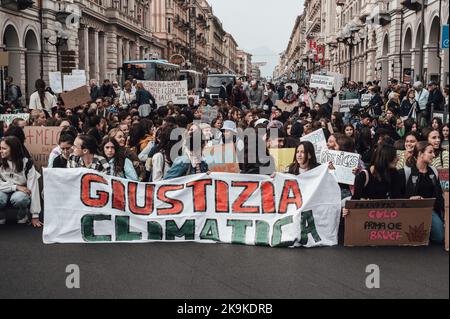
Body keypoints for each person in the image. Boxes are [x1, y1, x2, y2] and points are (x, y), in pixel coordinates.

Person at [399, 141, 445, 243]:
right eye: (430, 152)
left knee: (439, 237)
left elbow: (439, 195)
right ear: (420, 154)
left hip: (430, 210)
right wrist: (409, 199)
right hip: (411, 210)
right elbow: (397, 196)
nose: (433, 155)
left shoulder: (433, 171)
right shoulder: (406, 172)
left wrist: (445, 213)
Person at [343, 143, 402, 217]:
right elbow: (355, 199)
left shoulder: (394, 173)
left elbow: (397, 197)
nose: (397, 159)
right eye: (394, 156)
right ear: (386, 158)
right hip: (367, 217)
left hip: (387, 216)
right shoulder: (363, 176)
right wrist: (347, 210)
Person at [0, 136, 42, 227]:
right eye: (0, 148)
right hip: (4, 190)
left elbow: (33, 189)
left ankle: (23, 214)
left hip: (20, 193)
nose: (1, 151)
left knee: (20, 199)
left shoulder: (27, 163)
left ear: (13, 149)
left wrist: (35, 215)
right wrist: (15, 187)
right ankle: (1, 214)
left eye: (4, 148)